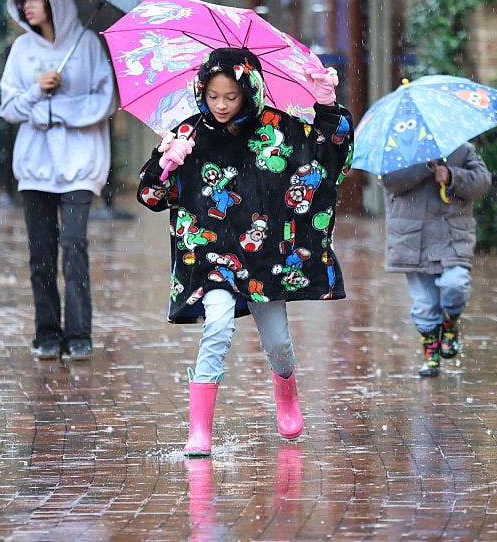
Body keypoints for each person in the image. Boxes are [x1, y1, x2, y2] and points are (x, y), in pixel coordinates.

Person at [137, 47, 353, 456]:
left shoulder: (279, 128)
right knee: (217, 326)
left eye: (231, 97)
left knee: (278, 343)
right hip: (210, 256)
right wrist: (165, 166)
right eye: (213, 96)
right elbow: (150, 196)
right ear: (201, 91)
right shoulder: (188, 134)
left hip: (263, 258)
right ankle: (199, 431)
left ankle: (286, 389)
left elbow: (330, 162)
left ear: (250, 91)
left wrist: (327, 107)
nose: (220, 105)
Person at [0, 0, 115, 361]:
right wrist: (37, 91)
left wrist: (56, 110)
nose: (27, 6)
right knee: (41, 253)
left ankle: (79, 334)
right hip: (35, 167)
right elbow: (9, 107)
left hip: (80, 164)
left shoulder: (87, 44)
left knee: (74, 246)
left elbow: (105, 101)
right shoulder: (21, 49)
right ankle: (47, 333)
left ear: (56, 1)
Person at [379, 144, 491, 378]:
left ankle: (450, 323)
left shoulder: (461, 149)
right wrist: (424, 167)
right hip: (412, 240)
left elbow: (482, 182)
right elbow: (390, 182)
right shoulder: (397, 149)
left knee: (456, 284)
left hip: (452, 236)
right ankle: (431, 354)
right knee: (425, 303)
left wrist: (452, 176)